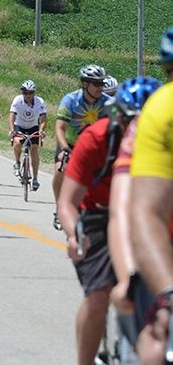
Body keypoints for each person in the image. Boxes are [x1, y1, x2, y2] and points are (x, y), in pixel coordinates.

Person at [58, 75, 163, 365]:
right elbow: (67, 202)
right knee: (98, 298)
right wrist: (74, 233)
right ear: (117, 117)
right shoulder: (96, 138)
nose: (138, 130)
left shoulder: (164, 140)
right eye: (131, 121)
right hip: (97, 215)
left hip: (146, 215)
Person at [129, 26, 173, 365]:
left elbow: (143, 213)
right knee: (159, 341)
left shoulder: (161, 106)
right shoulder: (161, 111)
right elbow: (143, 213)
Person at [52, 64, 110, 230]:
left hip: (94, 148)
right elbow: (59, 128)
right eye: (96, 84)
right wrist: (64, 149)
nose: (100, 87)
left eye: (102, 84)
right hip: (70, 144)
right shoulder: (70, 100)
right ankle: (59, 209)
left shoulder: (107, 102)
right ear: (85, 84)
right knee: (59, 171)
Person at [9, 80, 47, 191]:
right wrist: (12, 130)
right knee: (17, 141)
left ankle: (35, 179)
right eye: (25, 93)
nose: (28, 95)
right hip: (19, 126)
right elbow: (12, 116)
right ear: (22, 93)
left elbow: (43, 119)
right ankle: (17, 162)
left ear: (34, 93)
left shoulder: (39, 102)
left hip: (33, 127)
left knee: (34, 149)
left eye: (30, 93)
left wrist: (41, 130)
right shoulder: (17, 100)